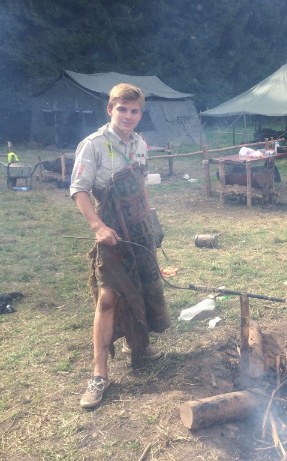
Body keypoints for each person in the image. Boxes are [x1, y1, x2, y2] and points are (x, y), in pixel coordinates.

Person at [70, 83, 171, 408]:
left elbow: (141, 186)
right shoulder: (94, 145)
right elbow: (79, 190)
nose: (128, 116)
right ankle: (100, 374)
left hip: (140, 229)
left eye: (135, 111)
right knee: (108, 298)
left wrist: (150, 220)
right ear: (110, 109)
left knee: (140, 286)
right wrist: (98, 227)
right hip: (111, 231)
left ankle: (138, 347)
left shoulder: (140, 143)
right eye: (122, 109)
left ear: (141, 113)